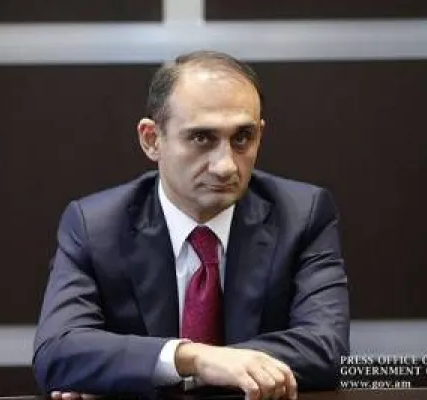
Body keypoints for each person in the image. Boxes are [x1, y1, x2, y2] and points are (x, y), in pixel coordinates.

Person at [33, 50, 349, 400]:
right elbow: (57, 353)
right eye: (202, 138)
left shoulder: (302, 216)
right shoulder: (95, 226)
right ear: (151, 139)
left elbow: (327, 351)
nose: (226, 166)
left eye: (242, 137)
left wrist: (151, 373)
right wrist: (193, 359)